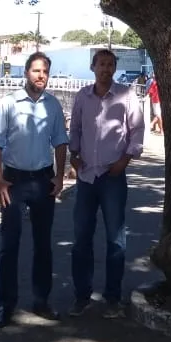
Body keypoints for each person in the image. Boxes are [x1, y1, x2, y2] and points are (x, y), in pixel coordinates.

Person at [0, 52, 68, 326]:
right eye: (36, 71)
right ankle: (6, 305)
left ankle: (41, 301)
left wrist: (59, 177)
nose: (41, 76)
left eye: (45, 71)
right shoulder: (9, 103)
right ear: (26, 73)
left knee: (43, 245)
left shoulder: (53, 106)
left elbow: (60, 141)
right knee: (9, 245)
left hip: (43, 180)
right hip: (14, 181)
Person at [68, 48, 145, 318]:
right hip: (87, 176)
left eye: (110, 64)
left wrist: (126, 160)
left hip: (113, 176)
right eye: (101, 64)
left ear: (115, 68)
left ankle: (112, 297)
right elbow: (75, 128)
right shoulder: (82, 96)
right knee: (81, 239)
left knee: (116, 239)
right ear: (93, 67)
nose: (105, 68)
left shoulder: (126, 95)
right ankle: (82, 296)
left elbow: (137, 129)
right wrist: (73, 157)